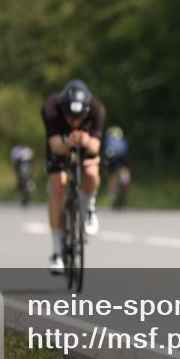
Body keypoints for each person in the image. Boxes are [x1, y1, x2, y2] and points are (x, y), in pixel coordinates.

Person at [41, 79, 105, 274]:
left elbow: (95, 147)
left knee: (91, 173)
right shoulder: (51, 107)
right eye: (70, 118)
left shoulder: (97, 109)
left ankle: (89, 208)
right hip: (60, 144)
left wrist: (85, 141)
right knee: (58, 186)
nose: (75, 122)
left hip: (85, 146)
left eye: (79, 118)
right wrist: (68, 141)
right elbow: (55, 146)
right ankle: (57, 251)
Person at [102, 126, 130, 209]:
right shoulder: (123, 141)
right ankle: (125, 184)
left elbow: (105, 153)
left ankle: (113, 197)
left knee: (111, 178)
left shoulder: (107, 140)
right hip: (122, 160)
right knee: (124, 171)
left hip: (111, 161)